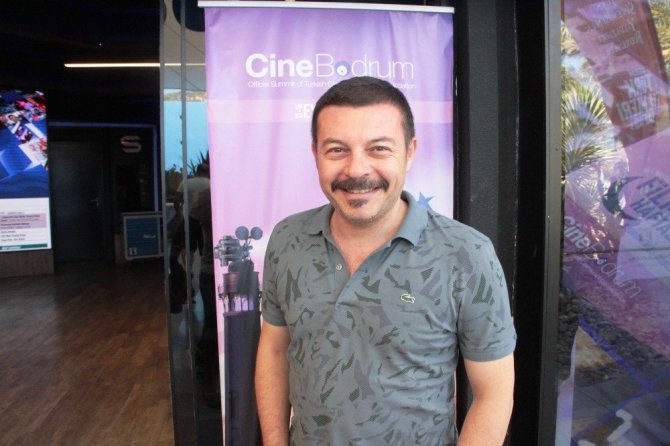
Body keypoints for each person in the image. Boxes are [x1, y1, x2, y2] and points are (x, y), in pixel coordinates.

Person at [255, 76, 516, 445]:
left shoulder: (467, 255)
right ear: (315, 153)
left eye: (378, 149)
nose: (356, 170)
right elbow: (274, 349)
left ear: (409, 152)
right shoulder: (287, 239)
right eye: (337, 150)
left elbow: (494, 393)